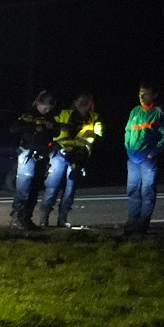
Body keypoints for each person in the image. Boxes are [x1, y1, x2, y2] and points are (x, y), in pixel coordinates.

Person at [123, 83, 164, 237]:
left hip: (147, 159)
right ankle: (132, 221)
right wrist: (128, 148)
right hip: (133, 158)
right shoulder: (135, 111)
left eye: (145, 93)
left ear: (154, 95)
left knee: (147, 191)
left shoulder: (159, 112)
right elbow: (127, 131)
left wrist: (153, 152)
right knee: (133, 190)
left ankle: (142, 225)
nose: (141, 96)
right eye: (140, 93)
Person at [45, 92, 102, 228]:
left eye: (87, 102)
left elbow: (99, 136)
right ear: (75, 102)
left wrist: (85, 149)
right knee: (52, 186)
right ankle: (44, 217)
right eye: (81, 101)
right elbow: (51, 127)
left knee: (70, 189)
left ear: (91, 104)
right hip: (60, 153)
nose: (84, 104)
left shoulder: (94, 118)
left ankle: (62, 218)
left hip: (78, 156)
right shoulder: (64, 114)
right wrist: (54, 144)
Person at [14, 90, 59, 229]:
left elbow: (56, 132)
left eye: (49, 109)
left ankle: (27, 218)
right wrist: (35, 127)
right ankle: (17, 216)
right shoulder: (28, 115)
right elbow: (14, 128)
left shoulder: (50, 117)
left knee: (35, 189)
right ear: (39, 103)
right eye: (45, 108)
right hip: (28, 154)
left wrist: (52, 127)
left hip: (43, 155)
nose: (47, 111)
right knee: (23, 187)